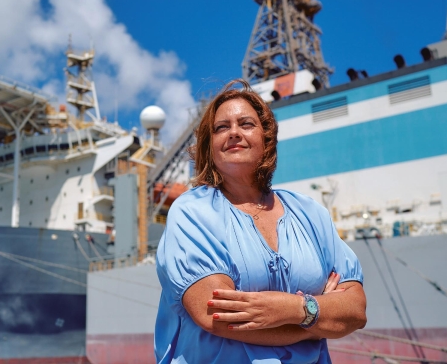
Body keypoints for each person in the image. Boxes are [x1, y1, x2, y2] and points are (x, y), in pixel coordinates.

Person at [155, 79, 366, 363]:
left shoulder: (310, 212)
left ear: (266, 140)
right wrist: (315, 324)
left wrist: (293, 309)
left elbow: (355, 310)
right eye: (221, 127)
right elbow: (216, 315)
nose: (233, 133)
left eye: (246, 124)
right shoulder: (192, 211)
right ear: (210, 146)